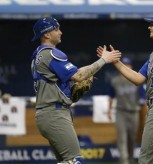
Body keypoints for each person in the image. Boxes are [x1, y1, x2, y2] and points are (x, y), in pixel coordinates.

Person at [31, 17, 121, 164]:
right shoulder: (51, 53)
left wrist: (93, 68)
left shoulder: (38, 55)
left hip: (47, 114)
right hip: (54, 113)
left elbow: (75, 74)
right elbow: (79, 76)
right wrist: (103, 60)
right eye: (56, 29)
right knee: (75, 160)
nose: (60, 32)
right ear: (46, 34)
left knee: (66, 161)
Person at [97, 11, 153, 164]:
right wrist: (116, 62)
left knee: (147, 159)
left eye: (152, 24)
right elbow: (138, 79)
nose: (149, 27)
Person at [107, 57, 147, 164]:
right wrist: (109, 110)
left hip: (134, 112)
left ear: (131, 66)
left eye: (127, 64)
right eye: (124, 64)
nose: (125, 66)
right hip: (121, 112)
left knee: (131, 138)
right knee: (122, 137)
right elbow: (111, 97)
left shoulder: (136, 80)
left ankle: (130, 158)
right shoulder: (115, 81)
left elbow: (143, 98)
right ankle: (124, 160)